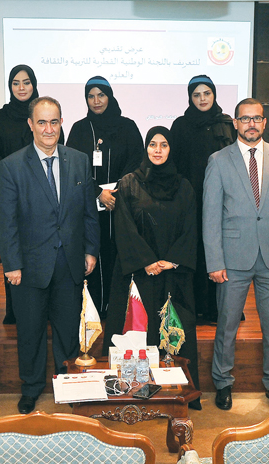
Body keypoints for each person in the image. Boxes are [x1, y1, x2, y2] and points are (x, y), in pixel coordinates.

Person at [0, 97, 99, 414]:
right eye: (42, 122)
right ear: (31, 125)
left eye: (54, 122)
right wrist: (11, 264)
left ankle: (66, 384)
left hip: (69, 262)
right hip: (28, 267)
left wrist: (91, 250)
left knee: (68, 330)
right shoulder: (11, 166)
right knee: (30, 331)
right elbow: (6, 220)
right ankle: (31, 388)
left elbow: (88, 212)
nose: (48, 129)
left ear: (61, 123)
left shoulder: (78, 161)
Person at [203, 98, 269, 411]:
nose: (251, 124)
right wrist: (215, 261)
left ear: (265, 122)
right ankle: (223, 382)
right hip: (232, 259)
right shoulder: (218, 160)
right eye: (245, 119)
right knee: (227, 326)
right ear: (235, 123)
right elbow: (210, 216)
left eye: (256, 118)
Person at [103, 126, 200, 409]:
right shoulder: (130, 182)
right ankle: (130, 390)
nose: (158, 150)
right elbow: (123, 226)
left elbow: (190, 226)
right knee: (137, 333)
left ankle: (174, 392)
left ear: (171, 150)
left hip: (172, 273)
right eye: (153, 145)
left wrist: (171, 260)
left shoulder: (184, 186)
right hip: (138, 274)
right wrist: (146, 261)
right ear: (145, 148)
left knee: (172, 332)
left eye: (164, 145)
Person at [0, 64, 64, 324]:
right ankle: (17, 311)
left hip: (46, 197)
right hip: (14, 194)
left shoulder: (46, 119)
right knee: (15, 250)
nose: (21, 87)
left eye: (26, 82)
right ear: (10, 86)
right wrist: (13, 182)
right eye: (16, 83)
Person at [66, 76, 144, 317]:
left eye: (101, 95)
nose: (96, 101)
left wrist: (117, 193)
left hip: (121, 207)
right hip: (90, 207)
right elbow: (73, 167)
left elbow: (137, 162)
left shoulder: (127, 126)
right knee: (94, 256)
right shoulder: (80, 129)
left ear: (110, 96)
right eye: (91, 96)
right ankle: (94, 312)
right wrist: (99, 193)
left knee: (119, 255)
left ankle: (119, 311)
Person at [170, 75, 237, 321]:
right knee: (195, 251)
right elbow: (174, 165)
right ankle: (194, 307)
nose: (202, 99)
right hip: (190, 201)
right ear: (190, 97)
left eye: (206, 93)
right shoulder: (180, 125)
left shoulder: (227, 123)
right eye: (196, 95)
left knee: (219, 251)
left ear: (214, 94)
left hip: (223, 201)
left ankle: (217, 308)